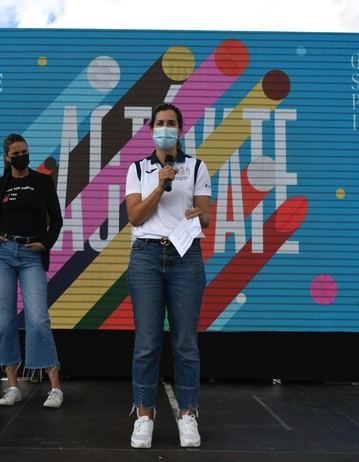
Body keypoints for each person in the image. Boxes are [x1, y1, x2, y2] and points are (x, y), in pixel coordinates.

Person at [125, 103, 211, 448]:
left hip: (185, 256)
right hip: (146, 256)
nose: (165, 128)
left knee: (185, 343)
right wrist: (160, 187)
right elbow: (135, 217)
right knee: (147, 343)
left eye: (171, 123)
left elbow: (205, 215)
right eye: (159, 123)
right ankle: (145, 414)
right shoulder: (138, 169)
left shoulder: (196, 167)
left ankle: (188, 413)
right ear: (151, 130)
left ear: (180, 129)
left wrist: (197, 214)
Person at [0, 133, 64, 407]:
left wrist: (45, 243)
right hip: (2, 254)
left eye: (25, 152)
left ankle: (54, 386)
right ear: (7, 157)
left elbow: (57, 219)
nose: (21, 156)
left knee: (38, 318)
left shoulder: (41, 181)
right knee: (3, 319)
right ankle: (13, 385)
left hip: (31, 254)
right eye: (16, 153)